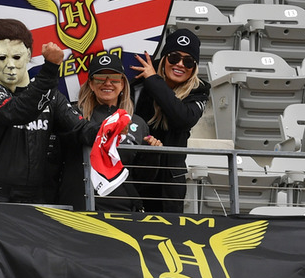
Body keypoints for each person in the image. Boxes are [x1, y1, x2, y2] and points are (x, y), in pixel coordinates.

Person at [0, 18, 90, 204]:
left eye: (16, 57)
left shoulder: (51, 96)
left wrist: (111, 129)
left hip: (35, 198)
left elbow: (79, 128)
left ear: (29, 55)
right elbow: (17, 111)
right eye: (2, 57)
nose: (10, 64)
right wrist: (50, 69)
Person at [58, 52, 162, 211]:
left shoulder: (138, 123)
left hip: (123, 211)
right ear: (91, 84)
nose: (107, 83)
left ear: (122, 85)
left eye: (114, 79)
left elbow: (142, 180)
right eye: (100, 78)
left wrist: (152, 154)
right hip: (81, 208)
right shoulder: (74, 114)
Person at [131, 28, 209, 214]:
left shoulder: (200, 91)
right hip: (136, 174)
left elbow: (182, 118)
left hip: (168, 185)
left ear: (194, 67)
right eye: (174, 57)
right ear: (164, 58)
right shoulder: (140, 80)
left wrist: (153, 80)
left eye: (188, 61)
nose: (180, 64)